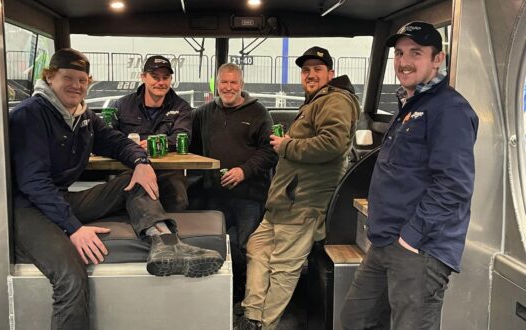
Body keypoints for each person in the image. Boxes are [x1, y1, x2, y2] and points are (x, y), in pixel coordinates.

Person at [9, 49, 224, 330]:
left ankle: (165, 244)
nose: (76, 85)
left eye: (82, 79)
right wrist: (73, 228)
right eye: (68, 78)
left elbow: (116, 141)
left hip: (58, 199)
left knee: (132, 181)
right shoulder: (31, 114)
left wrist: (140, 161)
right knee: (71, 277)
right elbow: (33, 183)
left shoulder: (81, 116)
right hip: (28, 209)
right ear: (50, 78)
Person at [340, 22, 479, 330]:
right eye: (399, 53)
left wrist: (411, 238)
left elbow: (453, 185)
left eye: (416, 53)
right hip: (386, 240)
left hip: (419, 247)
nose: (403, 62)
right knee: (355, 320)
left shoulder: (449, 109)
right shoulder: (410, 103)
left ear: (437, 59)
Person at [235, 46, 361, 330]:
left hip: (304, 201)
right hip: (284, 200)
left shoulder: (335, 100)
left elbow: (333, 144)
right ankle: (252, 316)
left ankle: (264, 324)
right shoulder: (315, 101)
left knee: (284, 267)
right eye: (306, 70)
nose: (311, 75)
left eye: (317, 69)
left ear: (330, 73)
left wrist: (286, 146)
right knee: (257, 247)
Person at [192, 63, 278, 303]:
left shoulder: (259, 113)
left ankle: (242, 299)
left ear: (242, 85)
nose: (228, 88)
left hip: (249, 195)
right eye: (224, 82)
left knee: (246, 248)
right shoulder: (203, 113)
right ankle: (215, 297)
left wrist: (244, 170)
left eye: (233, 83)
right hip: (213, 194)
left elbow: (270, 152)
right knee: (212, 244)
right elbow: (190, 145)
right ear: (216, 84)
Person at [114, 55, 191, 211]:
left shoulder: (182, 106)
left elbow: (182, 137)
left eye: (165, 77)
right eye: (155, 77)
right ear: (143, 77)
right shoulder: (122, 105)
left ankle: (173, 234)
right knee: (136, 199)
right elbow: (110, 138)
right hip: (131, 168)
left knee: (179, 200)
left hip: (169, 171)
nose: (161, 82)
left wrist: (155, 144)